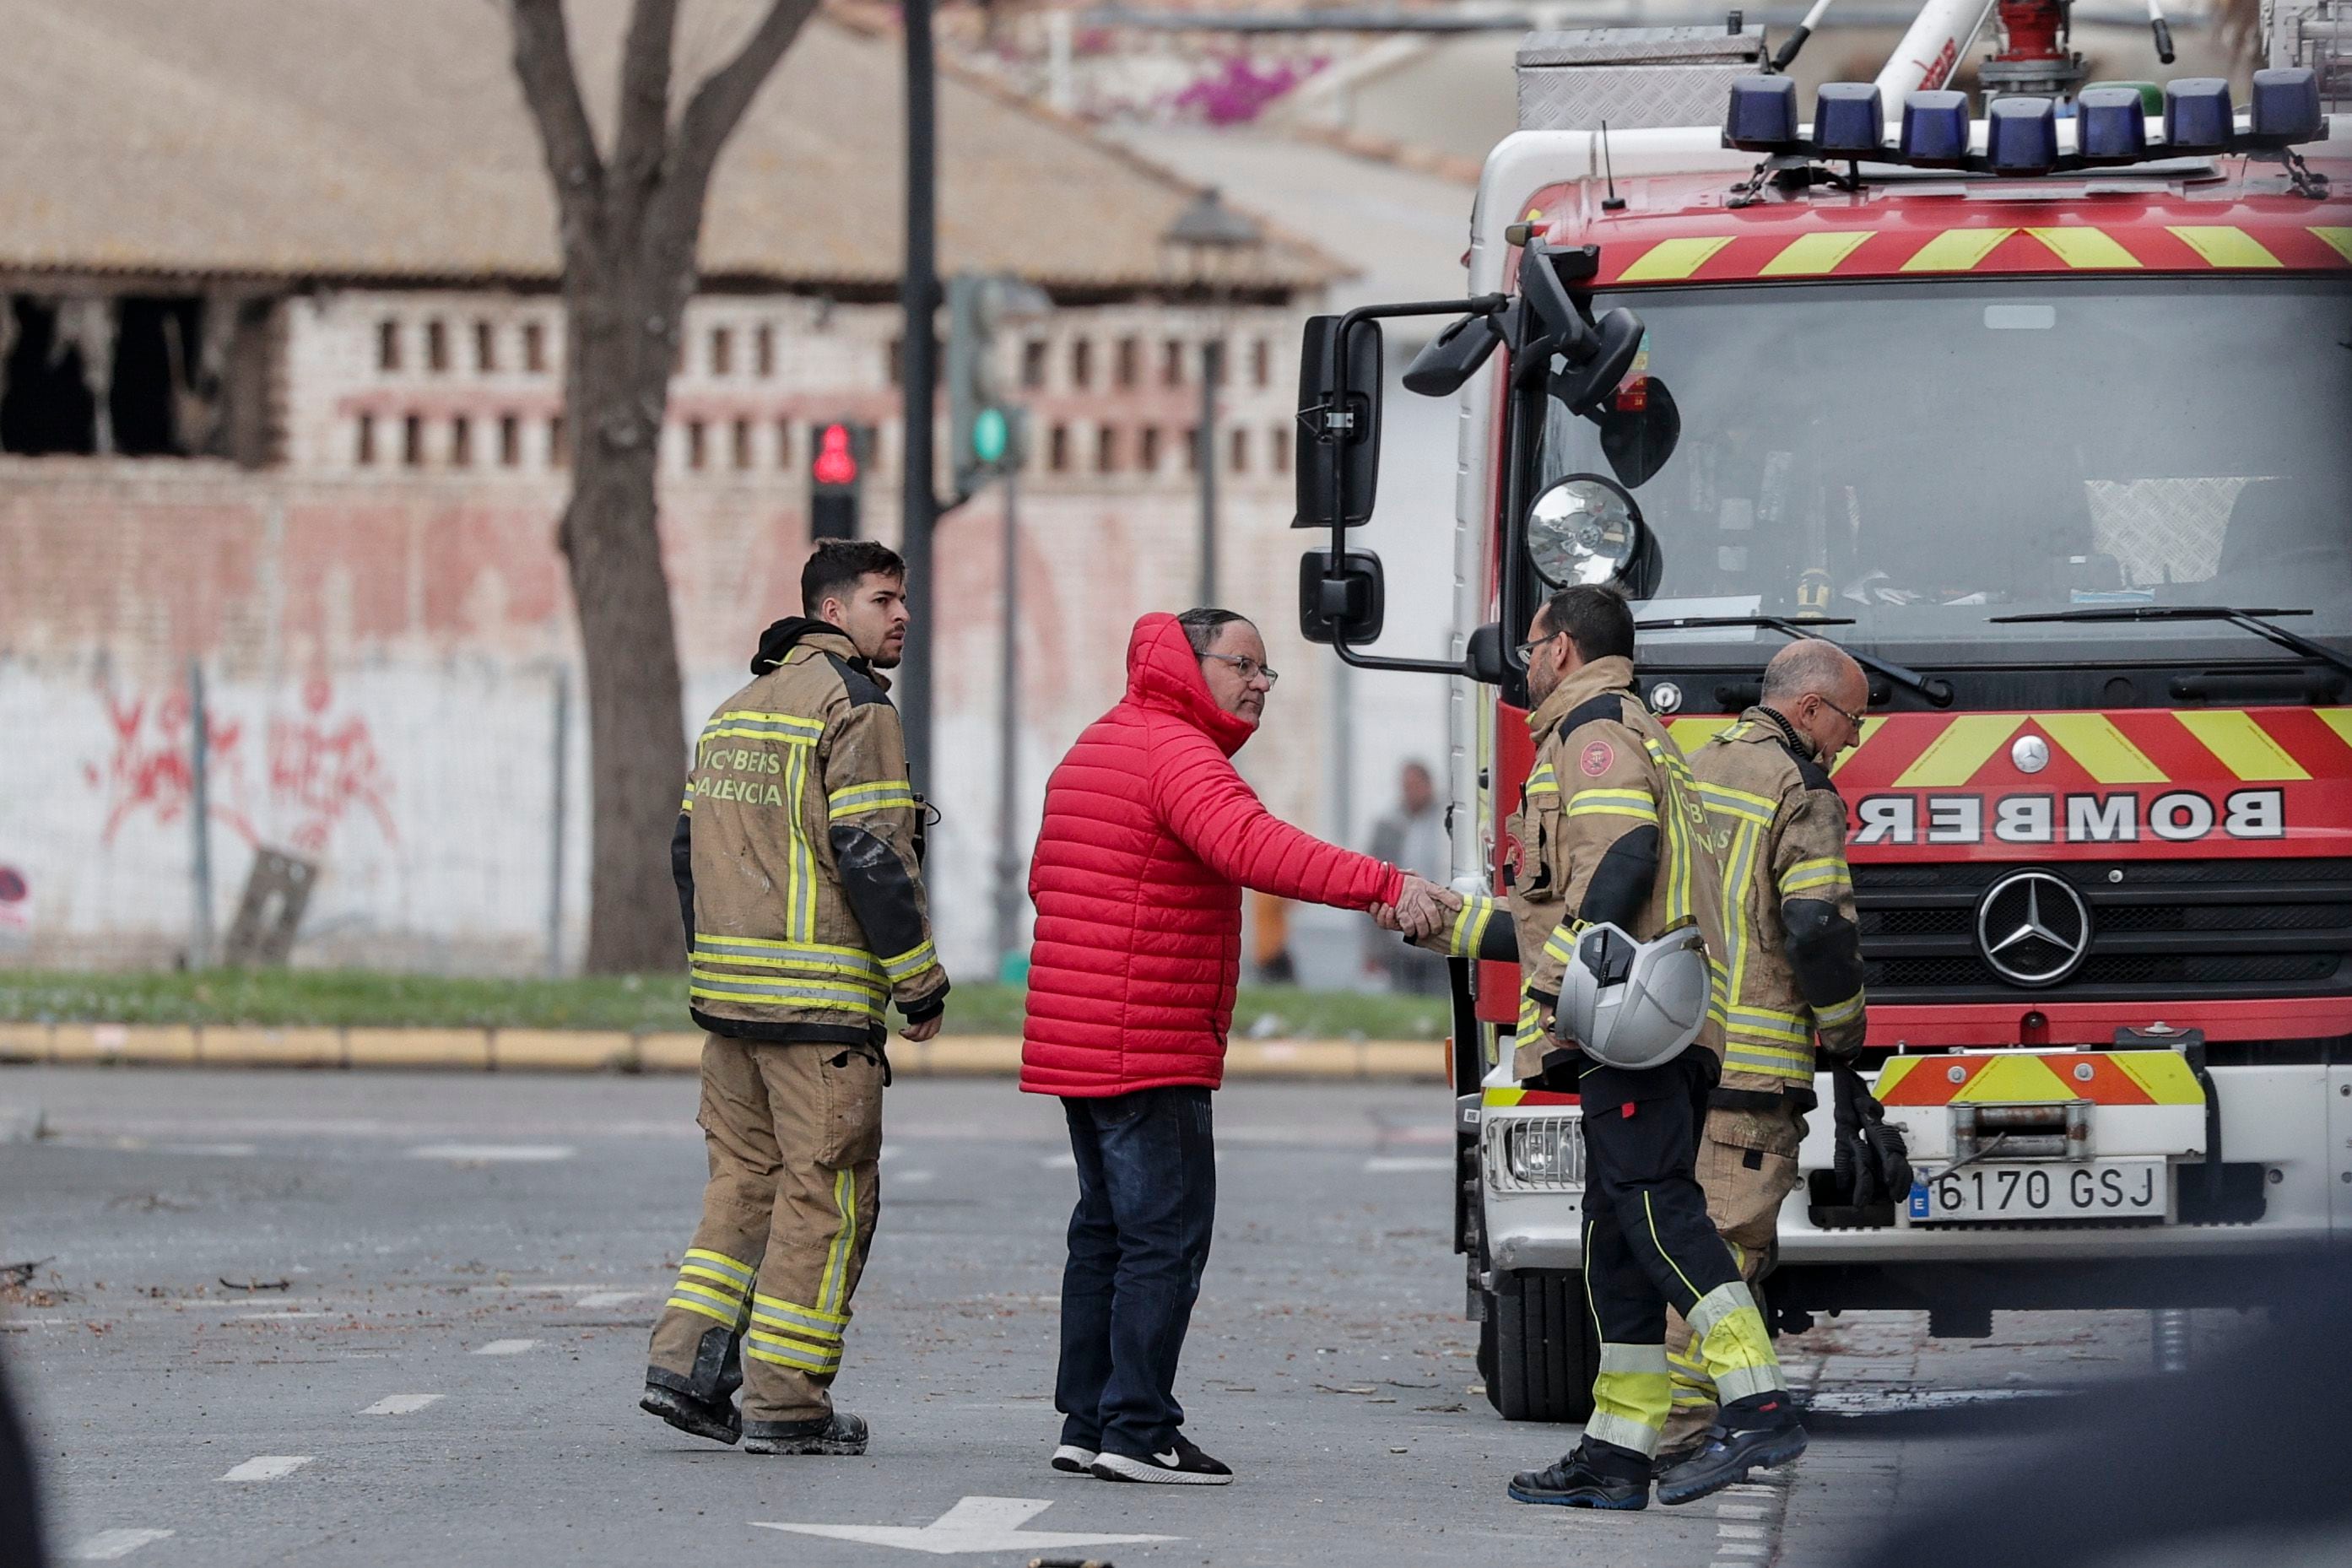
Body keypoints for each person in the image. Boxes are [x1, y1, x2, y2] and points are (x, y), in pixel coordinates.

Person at [1020, 608, 1449, 1485]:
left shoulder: (1103, 741)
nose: (1260, 682)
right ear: (1188, 660)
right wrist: (1386, 883)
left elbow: (1046, 878)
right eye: (1243, 663)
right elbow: (1255, 849)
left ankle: (1089, 1416)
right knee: (1163, 1236)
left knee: (1104, 1230)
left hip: (1086, 1030)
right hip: (1148, 1033)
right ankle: (1137, 1429)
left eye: (1268, 670)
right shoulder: (1177, 751)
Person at [1423, 584, 1800, 1509]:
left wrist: (1559, 987)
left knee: (1658, 1214)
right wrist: (1451, 927)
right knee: (1616, 1239)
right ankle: (1619, 1449)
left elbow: (1622, 856)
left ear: (1561, 647)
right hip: (1641, 1022)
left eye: (1532, 640)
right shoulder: (1631, 734)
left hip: (1630, 1028)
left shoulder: (1594, 732)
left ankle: (1757, 1404)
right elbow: (1555, 904)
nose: (1524, 658)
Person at [641, 539, 948, 1457]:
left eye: (904, 600)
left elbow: (687, 855)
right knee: (829, 1197)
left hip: (729, 1011)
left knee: (743, 1184)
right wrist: (920, 980)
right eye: (884, 599)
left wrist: (718, 975)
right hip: (818, 1019)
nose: (901, 616)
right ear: (831, 608)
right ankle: (784, 1400)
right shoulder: (856, 707)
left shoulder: (734, 710)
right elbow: (872, 856)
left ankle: (685, 1366)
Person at [1661, 640, 1870, 1462]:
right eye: (1849, 720)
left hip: (1674, 1049)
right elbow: (1818, 924)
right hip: (1752, 1067)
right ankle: (1684, 1431)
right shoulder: (1800, 787)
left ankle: (1665, 1421)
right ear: (1811, 708)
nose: (1849, 740)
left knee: (1676, 1239)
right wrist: (1848, 1032)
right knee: (1723, 1252)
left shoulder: (1693, 762)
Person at [1365, 761, 1451, 995]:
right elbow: (1369, 885)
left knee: (1438, 999)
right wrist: (1372, 948)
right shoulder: (1388, 827)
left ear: (1429, 785)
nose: (1411, 792)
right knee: (1404, 998)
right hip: (1398, 938)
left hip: (1440, 933)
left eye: (1416, 785)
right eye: (1406, 786)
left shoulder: (1446, 825)